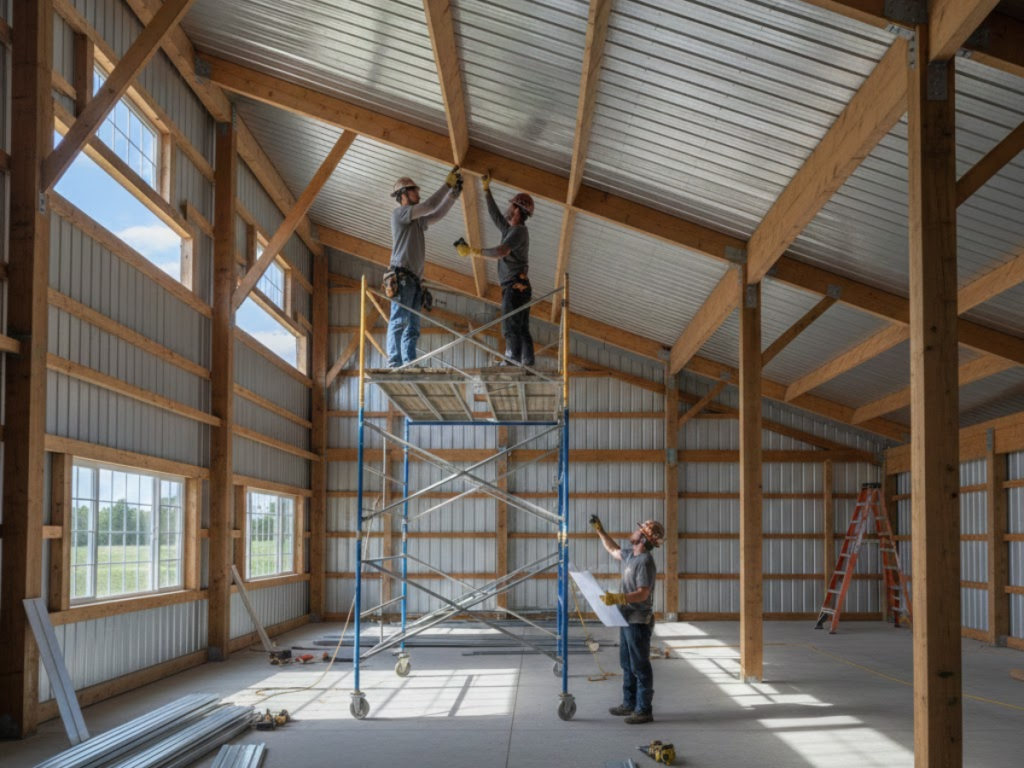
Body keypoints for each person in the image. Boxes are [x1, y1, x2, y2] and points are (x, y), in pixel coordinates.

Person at [590, 516, 665, 724]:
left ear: (643, 539)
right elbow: (613, 550)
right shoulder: (632, 555)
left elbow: (643, 593)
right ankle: (629, 703)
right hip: (627, 617)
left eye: (638, 530)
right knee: (626, 662)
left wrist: (619, 597)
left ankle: (644, 710)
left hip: (638, 620)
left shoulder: (645, 562)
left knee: (639, 665)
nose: (634, 531)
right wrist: (600, 530)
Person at [455, 173, 535, 367]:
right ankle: (527, 362)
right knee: (521, 326)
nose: (508, 208)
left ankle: (512, 359)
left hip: (515, 285)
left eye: (512, 205)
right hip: (519, 285)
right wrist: (486, 190)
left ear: (517, 209)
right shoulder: (511, 230)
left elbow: (501, 251)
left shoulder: (518, 231)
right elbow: (495, 215)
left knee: (510, 324)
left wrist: (474, 252)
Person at [386, 168, 462, 368]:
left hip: (413, 280)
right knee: (399, 321)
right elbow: (430, 205)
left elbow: (436, 214)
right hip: (402, 277)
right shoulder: (400, 214)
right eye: (414, 191)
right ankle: (395, 362)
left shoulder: (417, 220)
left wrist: (453, 195)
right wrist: (447, 185)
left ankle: (408, 363)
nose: (418, 195)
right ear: (403, 195)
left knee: (412, 327)